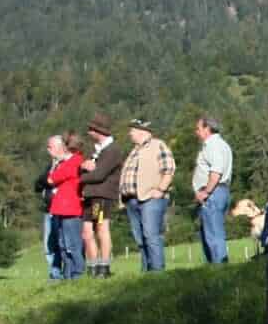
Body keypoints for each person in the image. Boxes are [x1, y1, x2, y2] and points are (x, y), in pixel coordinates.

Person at [119, 118, 174, 273]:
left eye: (132, 130)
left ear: (142, 131)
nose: (130, 133)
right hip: (132, 199)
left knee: (151, 235)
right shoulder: (134, 150)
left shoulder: (158, 145)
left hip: (150, 198)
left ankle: (157, 271)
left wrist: (160, 190)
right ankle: (146, 270)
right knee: (140, 238)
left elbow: (169, 170)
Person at [78, 113, 123, 278]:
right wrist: (84, 167)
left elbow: (99, 174)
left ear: (99, 131)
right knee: (87, 231)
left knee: (101, 227)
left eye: (91, 129)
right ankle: (93, 265)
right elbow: (88, 169)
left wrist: (80, 177)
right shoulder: (97, 150)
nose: (89, 132)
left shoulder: (112, 150)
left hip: (102, 195)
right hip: (90, 195)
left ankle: (104, 266)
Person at [192, 116, 234, 264]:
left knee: (213, 235)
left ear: (207, 129)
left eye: (198, 128)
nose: (196, 132)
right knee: (212, 233)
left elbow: (216, 171)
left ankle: (219, 268)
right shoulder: (221, 144)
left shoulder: (213, 145)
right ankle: (215, 267)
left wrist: (206, 192)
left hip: (213, 193)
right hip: (219, 192)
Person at [46, 133, 87, 280]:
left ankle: (78, 273)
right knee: (63, 245)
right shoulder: (70, 162)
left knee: (72, 244)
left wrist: (56, 165)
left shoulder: (74, 162)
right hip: (62, 209)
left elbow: (51, 179)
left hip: (70, 209)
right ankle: (69, 274)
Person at [34, 137, 62, 280]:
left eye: (50, 146)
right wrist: (45, 181)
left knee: (60, 241)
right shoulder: (50, 165)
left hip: (60, 208)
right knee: (48, 245)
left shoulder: (63, 163)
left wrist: (46, 181)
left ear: (59, 147)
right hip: (48, 209)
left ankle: (61, 272)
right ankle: (54, 272)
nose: (48, 149)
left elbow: (50, 180)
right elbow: (38, 183)